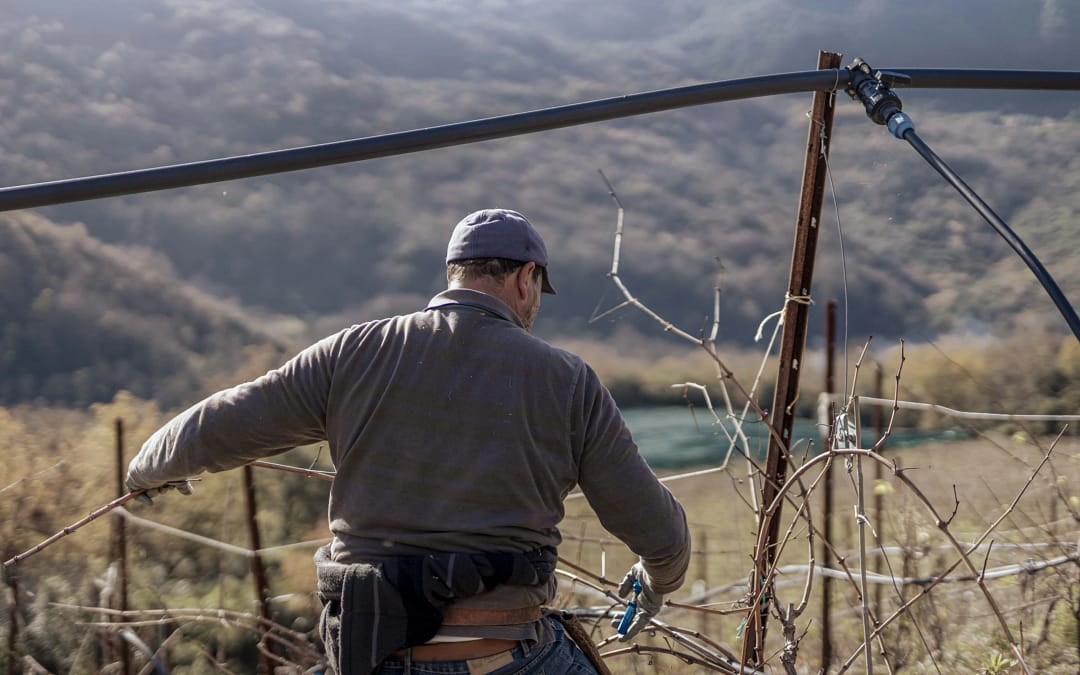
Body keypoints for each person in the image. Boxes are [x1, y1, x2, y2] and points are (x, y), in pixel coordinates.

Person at [126, 208, 691, 674]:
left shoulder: (351, 353)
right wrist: (655, 581)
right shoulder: (568, 381)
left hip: (372, 654)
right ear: (525, 280)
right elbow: (658, 529)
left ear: (454, 273)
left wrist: (147, 470)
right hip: (501, 655)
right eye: (537, 289)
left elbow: (225, 421)